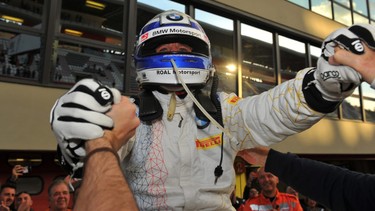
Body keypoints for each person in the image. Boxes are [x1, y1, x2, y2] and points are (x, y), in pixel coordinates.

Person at [50, 11, 373, 210]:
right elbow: (95, 160)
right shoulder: (126, 114)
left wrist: (322, 85)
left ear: (204, 59)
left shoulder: (224, 110)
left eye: (184, 50)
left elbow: (272, 111)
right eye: (164, 51)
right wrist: (77, 129)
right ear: (142, 59)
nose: (175, 57)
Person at [237, 146, 375, 210]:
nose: (266, 180)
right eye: (262, 177)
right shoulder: (250, 204)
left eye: (270, 176)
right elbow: (340, 185)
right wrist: (275, 160)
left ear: (278, 179)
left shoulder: (291, 201)